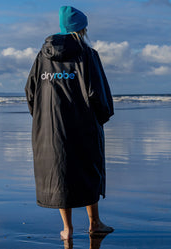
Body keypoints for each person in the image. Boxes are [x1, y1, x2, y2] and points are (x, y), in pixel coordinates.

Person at [25, 6, 114, 240]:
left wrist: (43, 120)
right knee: (88, 170)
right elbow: (98, 94)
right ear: (81, 29)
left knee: (59, 174)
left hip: (50, 130)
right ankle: (94, 223)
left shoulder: (42, 56)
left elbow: (30, 92)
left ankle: (67, 229)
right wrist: (101, 118)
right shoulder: (87, 54)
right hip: (83, 126)